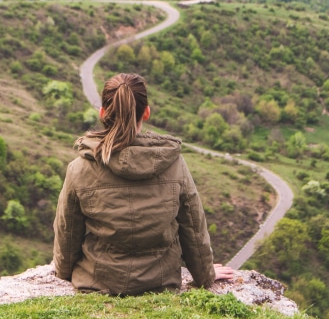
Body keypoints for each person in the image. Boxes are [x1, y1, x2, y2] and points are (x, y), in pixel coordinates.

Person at [53, 73, 234, 295]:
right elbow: (193, 228)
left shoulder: (79, 168)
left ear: (102, 113)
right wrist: (205, 276)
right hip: (160, 283)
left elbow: (67, 231)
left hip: (96, 283)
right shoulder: (173, 164)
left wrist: (62, 272)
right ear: (146, 112)